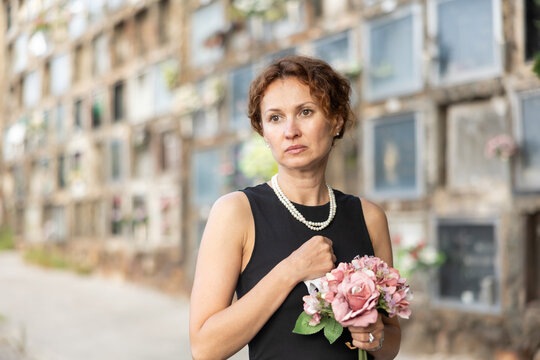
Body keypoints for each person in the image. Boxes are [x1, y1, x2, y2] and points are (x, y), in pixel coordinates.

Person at [190, 55, 401, 360]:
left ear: (336, 120)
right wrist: (291, 270)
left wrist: (375, 337)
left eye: (305, 112)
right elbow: (205, 347)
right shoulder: (236, 213)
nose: (290, 130)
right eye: (275, 117)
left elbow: (391, 341)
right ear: (264, 131)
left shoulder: (369, 217)